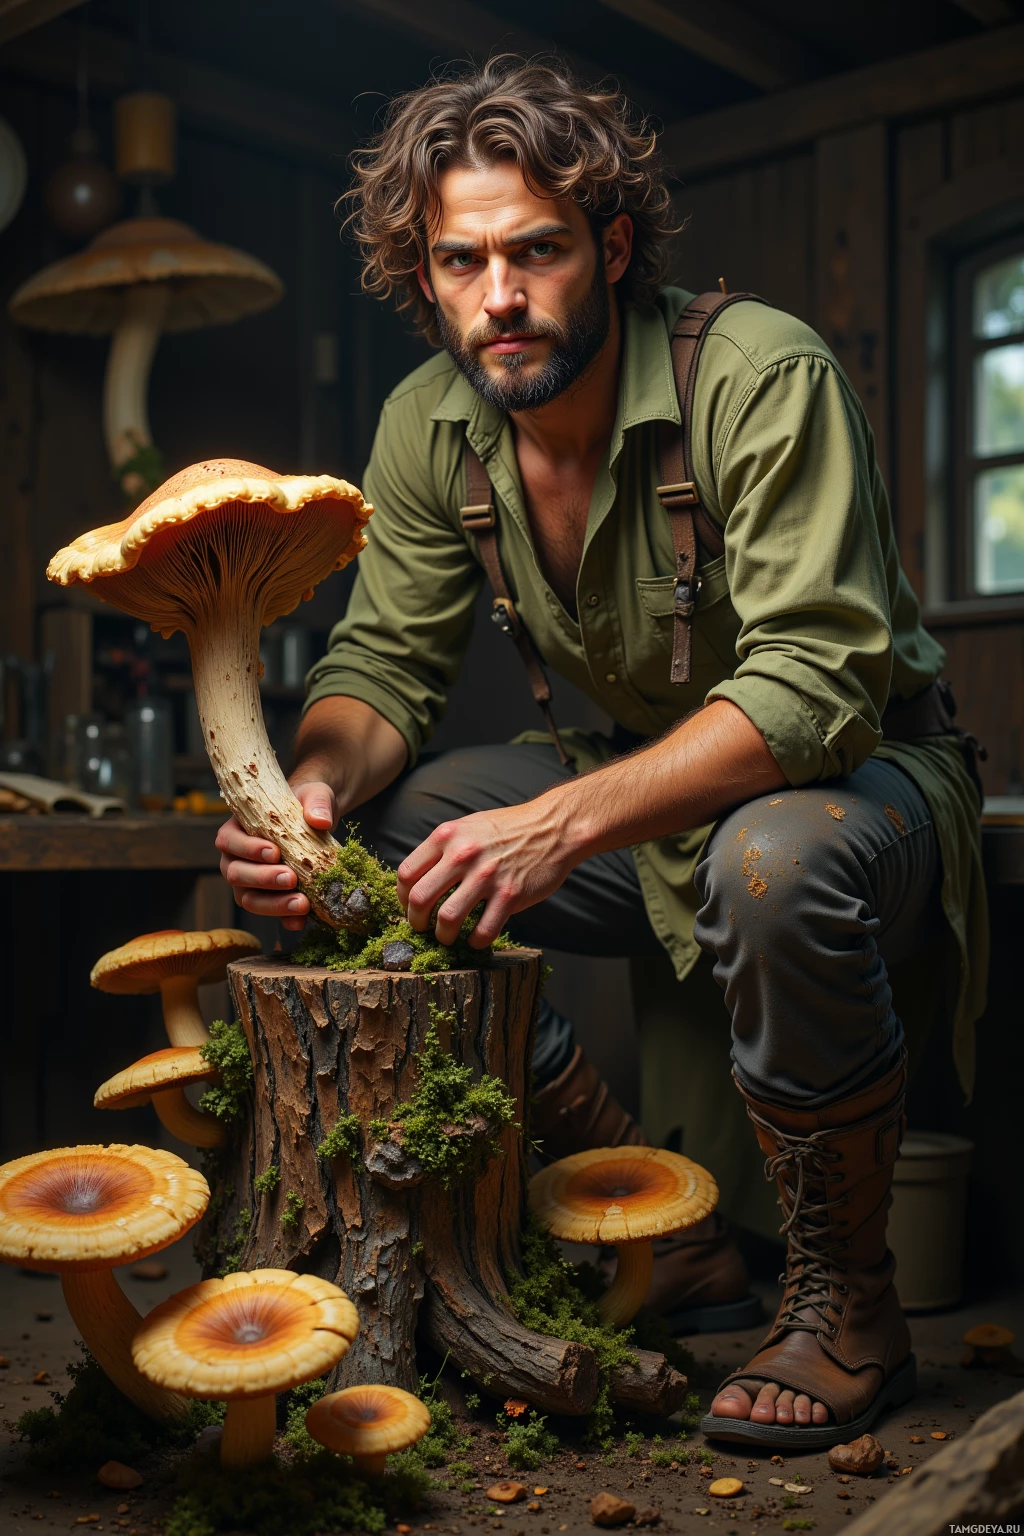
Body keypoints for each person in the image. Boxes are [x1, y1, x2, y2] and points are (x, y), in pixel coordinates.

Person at [216, 57, 987, 1447]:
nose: (499, 296)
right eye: (463, 261)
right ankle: (652, 1214)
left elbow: (818, 687)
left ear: (611, 249)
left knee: (769, 858)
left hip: (861, 786)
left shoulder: (759, 372)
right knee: (394, 843)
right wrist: (311, 793)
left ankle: (848, 1303)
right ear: (427, 274)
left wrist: (562, 821)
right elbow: (383, 668)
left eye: (537, 251)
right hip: (642, 787)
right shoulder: (426, 426)